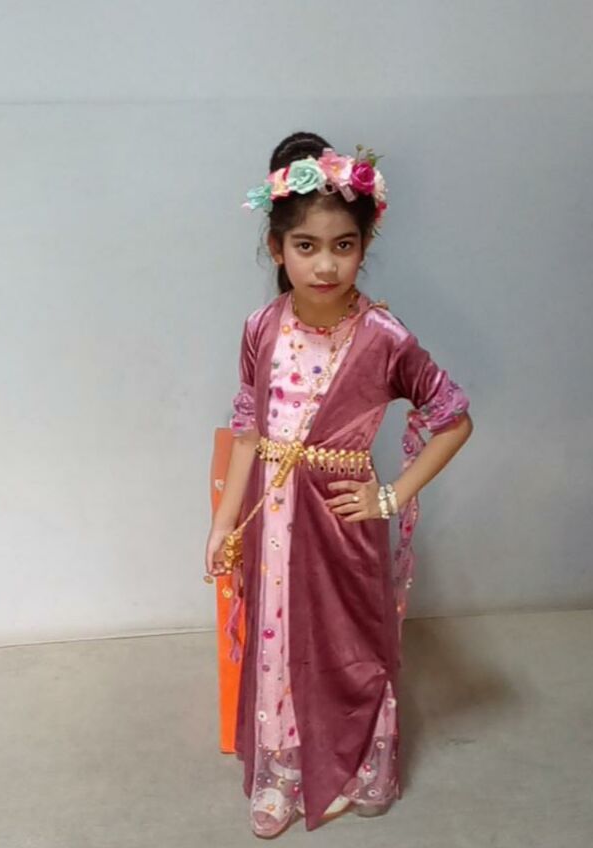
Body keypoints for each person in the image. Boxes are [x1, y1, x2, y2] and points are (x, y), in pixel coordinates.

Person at [203, 131, 474, 838]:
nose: (325, 264)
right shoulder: (261, 328)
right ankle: (283, 770)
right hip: (271, 519)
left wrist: (389, 496)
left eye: (343, 246)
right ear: (276, 249)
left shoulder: (384, 337)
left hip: (341, 519)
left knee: (351, 645)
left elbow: (453, 419)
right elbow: (249, 427)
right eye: (306, 246)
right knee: (276, 638)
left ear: (365, 243)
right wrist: (224, 522)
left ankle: (360, 764)